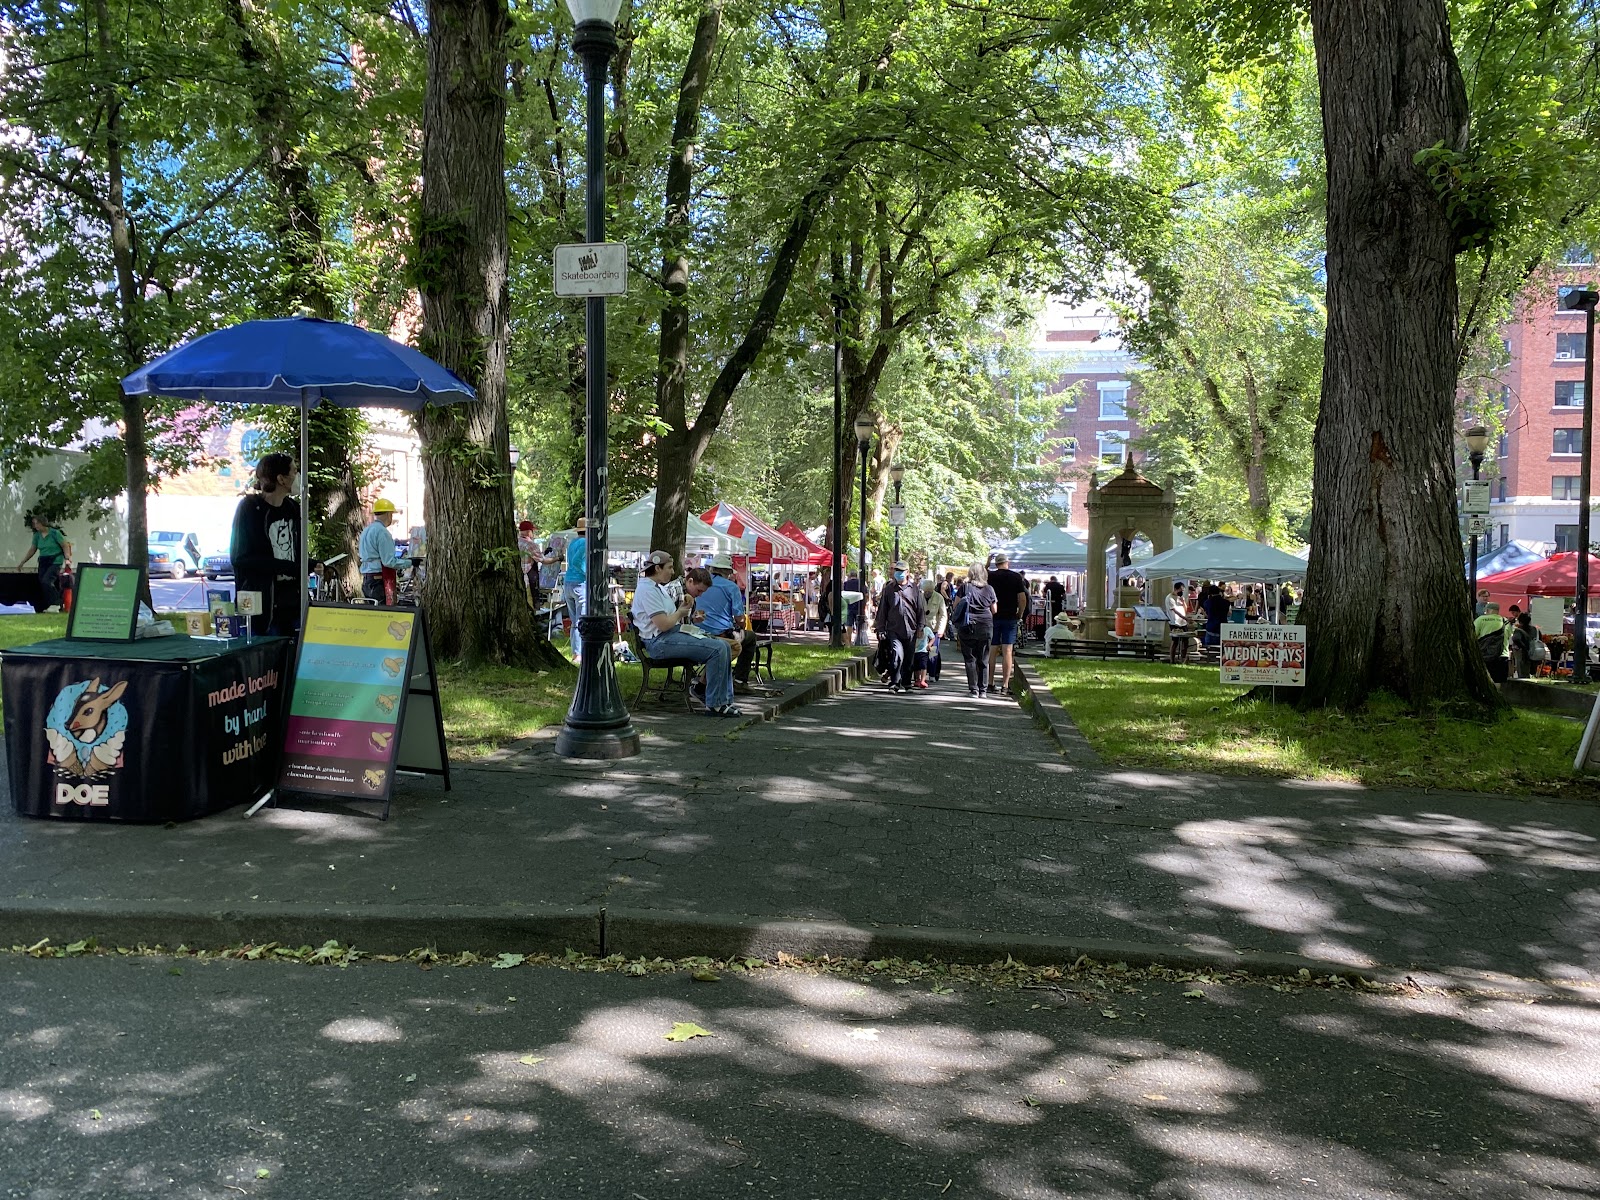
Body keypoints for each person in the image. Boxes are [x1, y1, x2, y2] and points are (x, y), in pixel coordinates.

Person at [632, 549, 741, 717]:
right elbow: (663, 624)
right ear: (658, 568)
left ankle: (723, 701)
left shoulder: (656, 588)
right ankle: (716, 704)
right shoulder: (648, 590)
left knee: (723, 647)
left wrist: (684, 611)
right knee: (718, 648)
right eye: (669, 567)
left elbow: (669, 620)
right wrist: (681, 613)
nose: (673, 571)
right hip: (660, 642)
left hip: (669, 636)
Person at [231, 452, 302, 637]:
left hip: (292, 603)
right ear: (281, 479)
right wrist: (288, 567)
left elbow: (294, 554)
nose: (298, 476)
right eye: (294, 471)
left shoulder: (293, 509)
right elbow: (241, 557)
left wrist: (310, 564)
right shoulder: (250, 508)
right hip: (260, 605)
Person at [687, 555, 760, 692]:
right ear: (728, 572)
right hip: (721, 633)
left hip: (696, 631)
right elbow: (739, 618)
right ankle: (739, 679)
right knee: (750, 637)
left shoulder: (700, 585)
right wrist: (742, 625)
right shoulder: (731, 587)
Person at [873, 560, 924, 693]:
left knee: (908, 659)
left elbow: (920, 610)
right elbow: (882, 610)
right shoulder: (889, 588)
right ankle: (894, 683)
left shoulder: (914, 589)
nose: (898, 573)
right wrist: (880, 628)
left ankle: (906, 683)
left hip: (911, 629)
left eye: (901, 571)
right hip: (894, 629)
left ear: (907, 573)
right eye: (896, 570)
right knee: (897, 655)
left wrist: (921, 627)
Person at [987, 552, 1029, 695]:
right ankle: (1005, 685)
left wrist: (987, 561)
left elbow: (982, 571)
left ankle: (990, 682)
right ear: (1007, 562)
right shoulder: (1016, 577)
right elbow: (1022, 599)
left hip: (993, 616)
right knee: (1008, 651)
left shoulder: (990, 576)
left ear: (996, 564)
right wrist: (1020, 614)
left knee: (992, 650)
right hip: (1010, 616)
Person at [956, 561, 998, 697]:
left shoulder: (965, 587)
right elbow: (994, 609)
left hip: (967, 625)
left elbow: (957, 605)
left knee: (970, 658)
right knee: (983, 658)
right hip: (985, 625)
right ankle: (983, 690)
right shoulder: (989, 589)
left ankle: (973, 689)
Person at [18, 513, 71, 612]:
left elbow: (65, 545)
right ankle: (52, 605)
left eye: (36, 523)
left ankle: (56, 603)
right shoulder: (37, 536)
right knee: (43, 582)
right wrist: (23, 562)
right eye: (34, 524)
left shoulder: (55, 533)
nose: (35, 526)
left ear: (43, 523)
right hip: (43, 561)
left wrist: (67, 558)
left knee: (47, 580)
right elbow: (32, 550)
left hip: (55, 560)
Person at [358, 497, 403, 604]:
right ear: (388, 514)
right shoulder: (382, 532)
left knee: (373, 614)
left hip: (367, 579)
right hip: (378, 579)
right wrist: (409, 562)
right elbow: (388, 561)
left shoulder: (367, 530)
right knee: (383, 614)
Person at [563, 516, 587, 662]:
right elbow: (578, 561)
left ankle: (575, 652)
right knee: (581, 621)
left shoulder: (573, 542)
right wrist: (587, 573)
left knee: (574, 622)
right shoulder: (585, 543)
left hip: (568, 583)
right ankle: (578, 654)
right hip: (580, 583)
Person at [1474, 601, 1511, 683]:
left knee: (1484, 681)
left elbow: (1473, 635)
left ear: (1487, 610)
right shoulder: (1505, 621)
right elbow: (1509, 636)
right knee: (1499, 681)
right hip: (1502, 655)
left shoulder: (1480, 619)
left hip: (1485, 655)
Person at [920, 577, 946, 682]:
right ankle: (921, 674)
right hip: (922, 628)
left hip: (934, 629)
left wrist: (941, 630)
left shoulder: (939, 597)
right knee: (921, 652)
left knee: (933, 652)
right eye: (925, 591)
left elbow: (943, 615)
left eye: (929, 592)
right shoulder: (920, 596)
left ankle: (932, 673)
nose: (927, 593)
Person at [1510, 610, 1546, 679]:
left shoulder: (1519, 630)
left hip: (1522, 654)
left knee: (1522, 673)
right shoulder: (1535, 630)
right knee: (1532, 672)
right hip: (1534, 654)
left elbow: (1516, 639)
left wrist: (1523, 647)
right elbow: (1540, 639)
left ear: (1520, 622)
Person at [1164, 581, 1190, 663]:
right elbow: (1175, 611)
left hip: (1183, 622)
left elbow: (1185, 609)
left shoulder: (1180, 598)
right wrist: (1186, 618)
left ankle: (1183, 657)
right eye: (1180, 590)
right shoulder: (1170, 598)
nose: (1181, 592)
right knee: (1175, 641)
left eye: (1183, 590)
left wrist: (1183, 602)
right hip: (1174, 622)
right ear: (1175, 589)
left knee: (1186, 640)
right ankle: (1172, 659)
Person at [517, 520, 540, 608]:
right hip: (529, 579)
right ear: (528, 532)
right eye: (532, 531)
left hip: (519, 578)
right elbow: (542, 560)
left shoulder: (515, 542)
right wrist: (557, 558)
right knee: (531, 601)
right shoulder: (531, 544)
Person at [912, 622, 938, 690]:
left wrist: (929, 645)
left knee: (923, 666)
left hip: (924, 651)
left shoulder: (927, 629)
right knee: (916, 666)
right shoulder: (913, 629)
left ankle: (923, 680)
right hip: (914, 651)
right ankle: (918, 679)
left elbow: (933, 638)